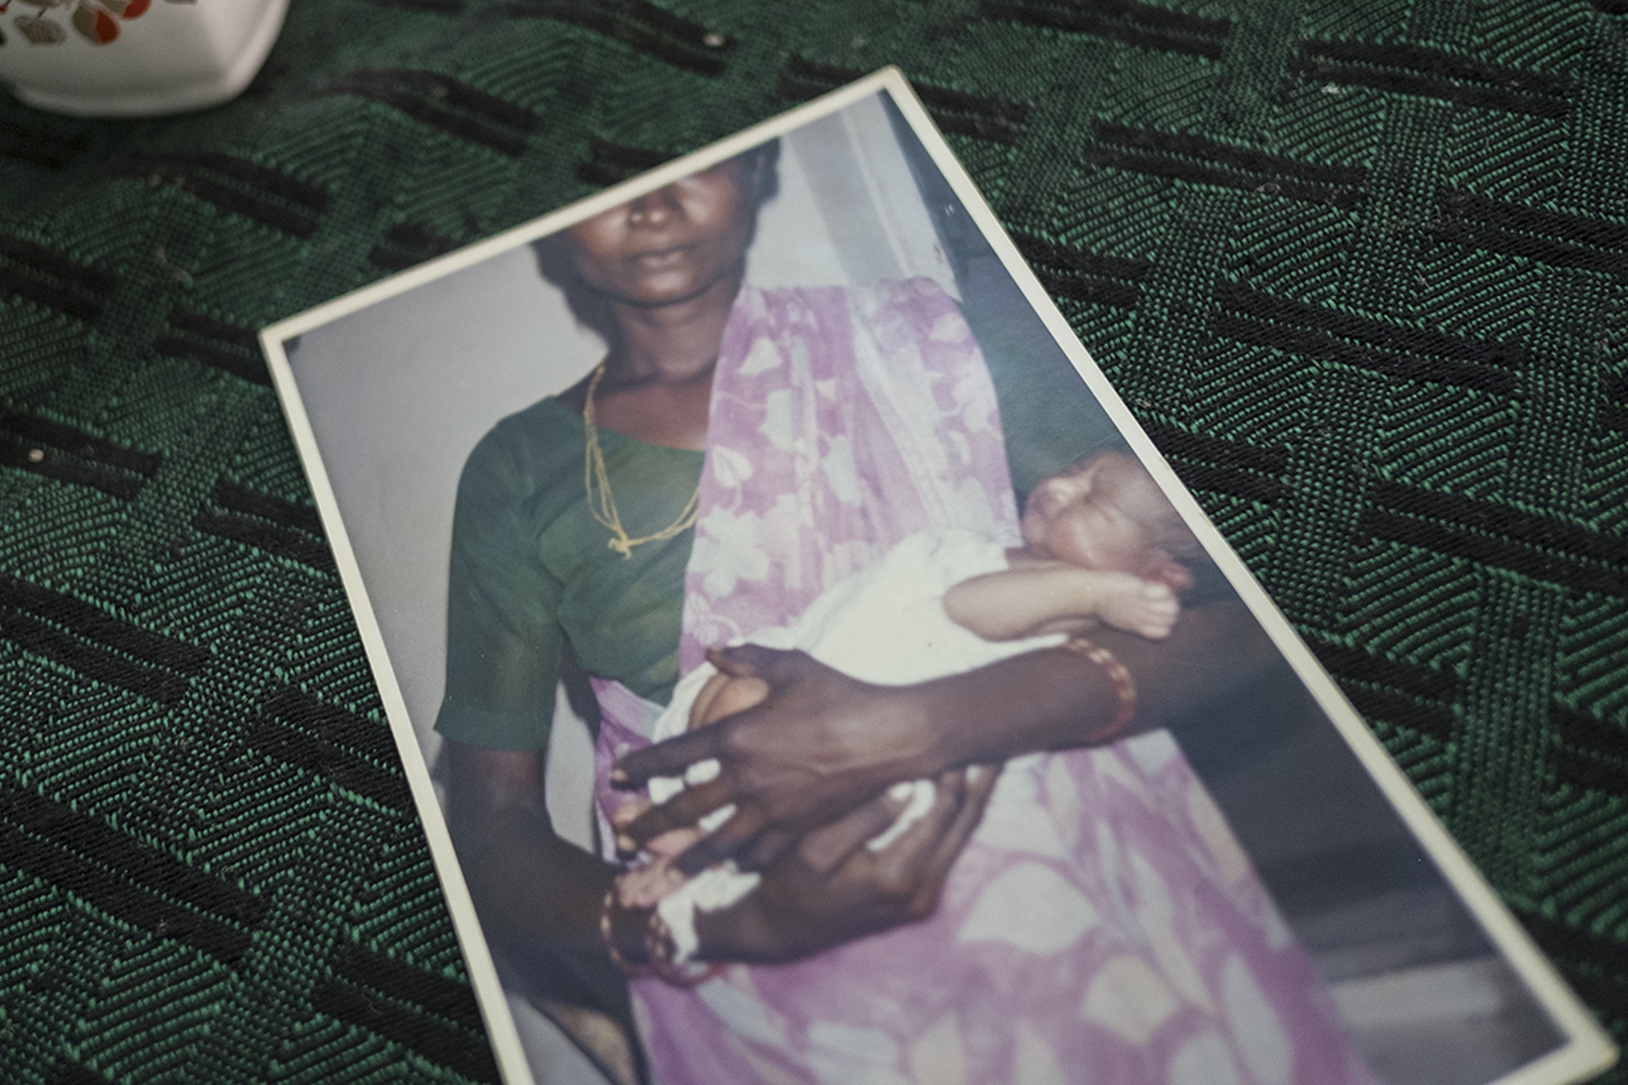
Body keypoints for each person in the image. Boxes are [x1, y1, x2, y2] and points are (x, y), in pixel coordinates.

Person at [436, 142, 1370, 1083]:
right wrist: (719, 922)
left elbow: (1254, 613)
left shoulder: (923, 343)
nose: (652, 202)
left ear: (758, 171)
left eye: (692, 160)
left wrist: (921, 725)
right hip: (750, 909)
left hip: (1052, 838)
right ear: (551, 228)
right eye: (606, 180)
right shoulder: (520, 471)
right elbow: (488, 827)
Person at [615, 447, 1201, 917]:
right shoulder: (983, 547)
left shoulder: (1072, 602)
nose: (1060, 488)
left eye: (1094, 505)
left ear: (1158, 574)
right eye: (1074, 470)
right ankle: (691, 826)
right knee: (735, 694)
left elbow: (973, 608)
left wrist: (1098, 591)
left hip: (851, 749)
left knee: (758, 727)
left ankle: (702, 850)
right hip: (800, 676)